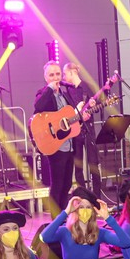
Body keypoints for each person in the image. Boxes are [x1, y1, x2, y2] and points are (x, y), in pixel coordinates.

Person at [34, 61, 81, 217]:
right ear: (46, 77)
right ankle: (56, 219)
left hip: (69, 144)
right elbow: (38, 107)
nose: (55, 77)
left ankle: (63, 216)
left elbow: (69, 118)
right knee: (57, 184)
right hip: (55, 146)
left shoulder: (65, 94)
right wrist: (49, 89)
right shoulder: (43, 93)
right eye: (51, 75)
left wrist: (81, 117)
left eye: (58, 74)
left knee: (67, 184)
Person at [63, 62, 103, 195]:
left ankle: (97, 196)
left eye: (65, 74)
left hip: (88, 130)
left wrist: (92, 105)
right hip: (75, 131)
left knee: (93, 164)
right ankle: (83, 195)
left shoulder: (87, 87)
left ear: (72, 72)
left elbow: (97, 107)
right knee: (78, 166)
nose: (64, 77)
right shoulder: (67, 91)